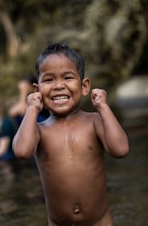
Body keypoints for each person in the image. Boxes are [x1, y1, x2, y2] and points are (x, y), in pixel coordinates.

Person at [12, 42, 129, 226]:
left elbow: (121, 149)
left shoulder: (95, 121)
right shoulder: (39, 130)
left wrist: (104, 108)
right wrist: (32, 109)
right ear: (37, 91)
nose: (58, 86)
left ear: (84, 86)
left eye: (67, 77)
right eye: (49, 80)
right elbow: (22, 151)